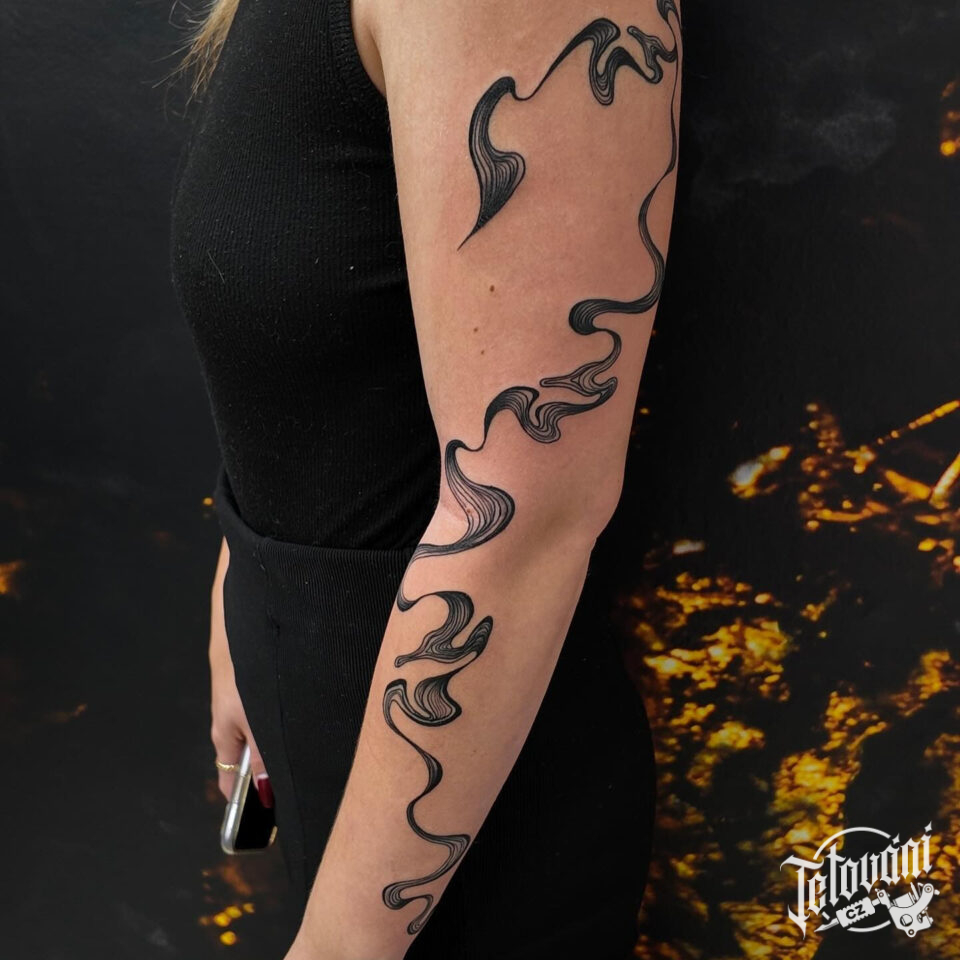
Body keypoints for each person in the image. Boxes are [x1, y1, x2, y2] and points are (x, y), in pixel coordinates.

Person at [169, 0, 681, 956]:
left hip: (470, 819)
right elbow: (317, 322)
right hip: (346, 742)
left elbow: (525, 510)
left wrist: (340, 947)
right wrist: (247, 577)